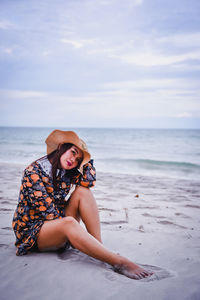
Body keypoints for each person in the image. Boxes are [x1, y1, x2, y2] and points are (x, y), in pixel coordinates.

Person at [12, 129, 153, 280]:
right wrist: (74, 230)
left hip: (58, 225)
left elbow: (88, 182)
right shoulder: (33, 172)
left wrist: (86, 162)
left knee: (82, 192)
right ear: (61, 147)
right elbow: (50, 215)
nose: (73, 160)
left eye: (78, 160)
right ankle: (119, 262)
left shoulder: (65, 170)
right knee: (69, 223)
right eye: (73, 152)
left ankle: (99, 248)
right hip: (33, 233)